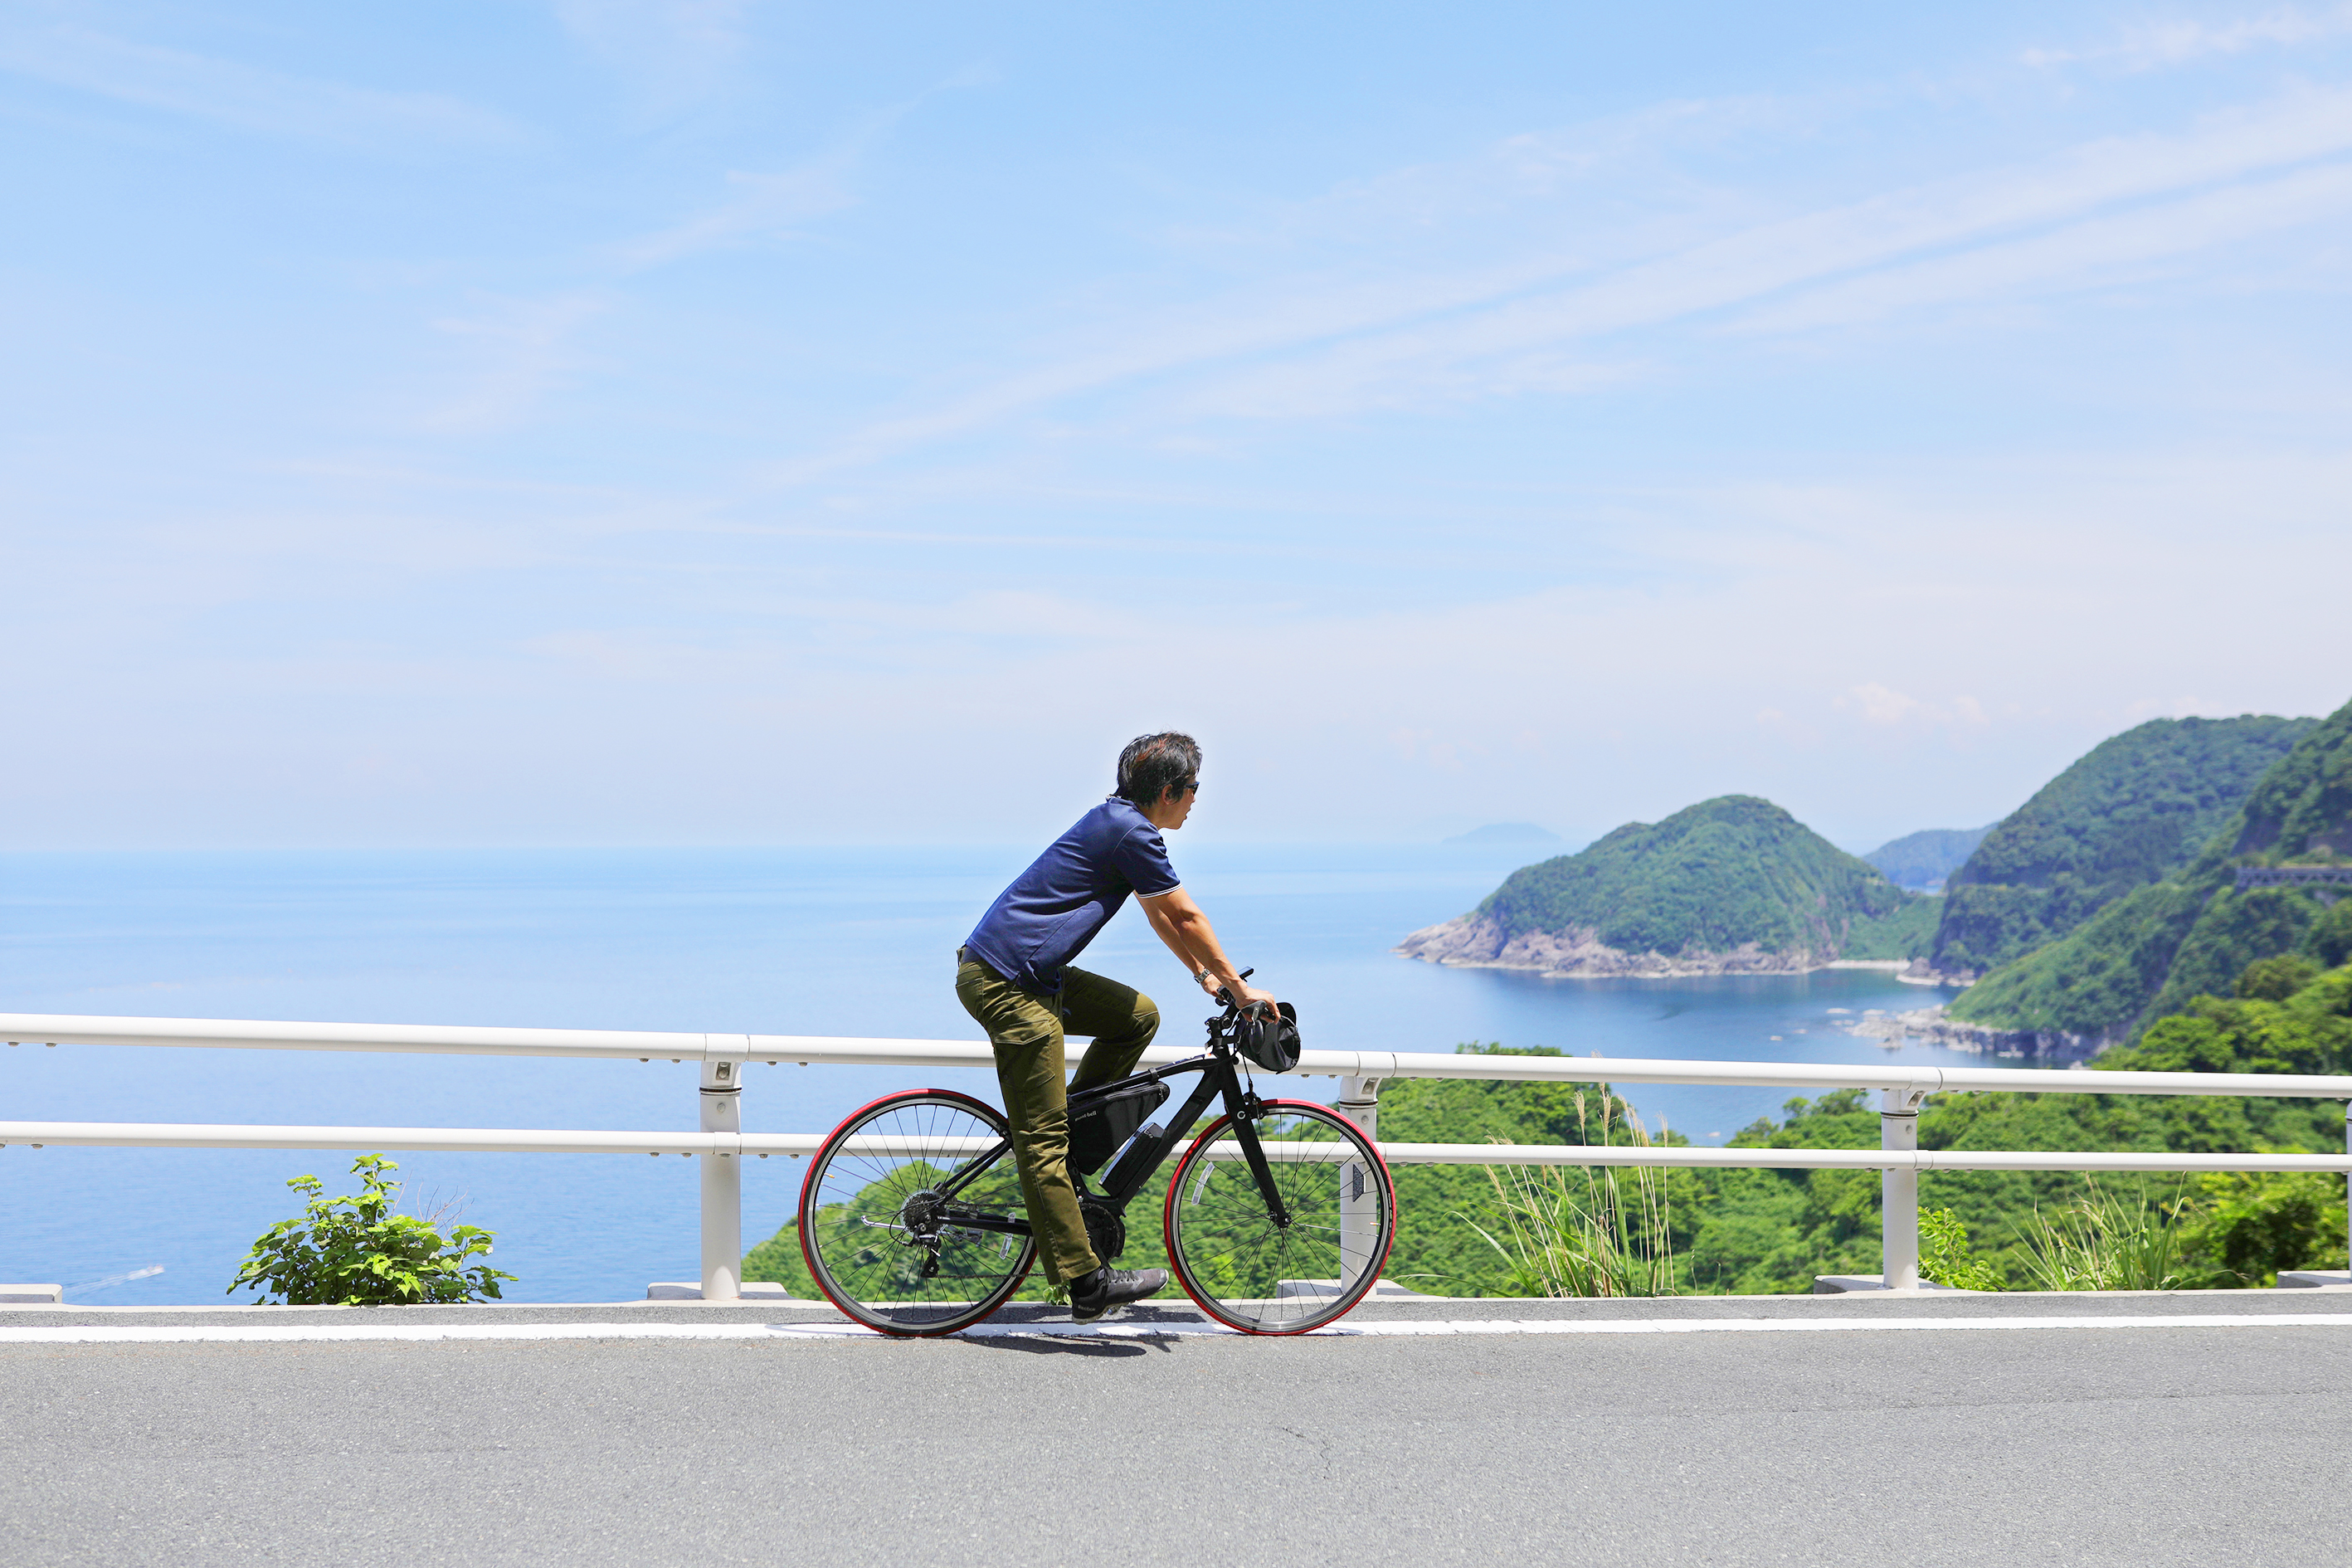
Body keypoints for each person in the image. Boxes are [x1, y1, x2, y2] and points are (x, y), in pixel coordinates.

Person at [956, 731, 1275, 1322]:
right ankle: (1084, 1280)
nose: (1195, 801)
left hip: (1029, 975)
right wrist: (1239, 987)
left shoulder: (1124, 825)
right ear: (1168, 790)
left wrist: (1202, 975)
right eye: (1192, 789)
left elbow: (1161, 914)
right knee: (1042, 1142)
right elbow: (1185, 912)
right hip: (1005, 983)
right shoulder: (1130, 829)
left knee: (1137, 1017)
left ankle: (1070, 1145)